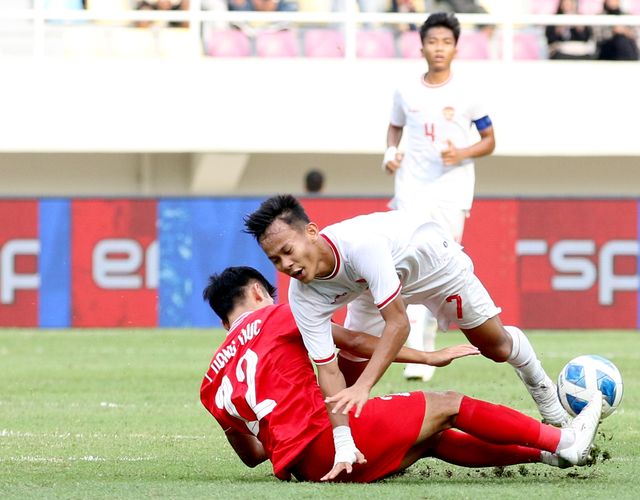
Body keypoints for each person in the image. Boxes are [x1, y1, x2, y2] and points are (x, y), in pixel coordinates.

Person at [244, 195, 572, 475]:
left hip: (432, 264)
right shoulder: (302, 296)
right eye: (275, 259)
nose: (286, 264)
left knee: (496, 347)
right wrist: (341, 441)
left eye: (288, 250)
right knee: (348, 369)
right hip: (368, 289)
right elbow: (327, 370)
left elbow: (399, 325)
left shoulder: (360, 245)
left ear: (312, 232)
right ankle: (353, 445)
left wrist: (365, 387)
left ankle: (541, 384)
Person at [199, 266, 603, 482]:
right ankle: (563, 439)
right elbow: (354, 341)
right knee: (448, 405)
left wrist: (285, 428)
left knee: (433, 439)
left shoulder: (211, 383)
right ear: (257, 293)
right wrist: (427, 357)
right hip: (331, 442)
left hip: (305, 470)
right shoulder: (278, 313)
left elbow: (253, 456)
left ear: (223, 323)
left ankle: (548, 455)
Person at [383, 12, 496, 382]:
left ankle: (428, 338)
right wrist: (390, 153)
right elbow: (395, 127)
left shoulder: (468, 94)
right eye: (433, 42)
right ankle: (415, 352)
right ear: (422, 47)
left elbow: (489, 140)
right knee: (406, 262)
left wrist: (461, 153)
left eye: (446, 42)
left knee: (441, 264)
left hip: (452, 191)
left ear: (455, 48)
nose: (439, 48)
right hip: (412, 188)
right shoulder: (406, 90)